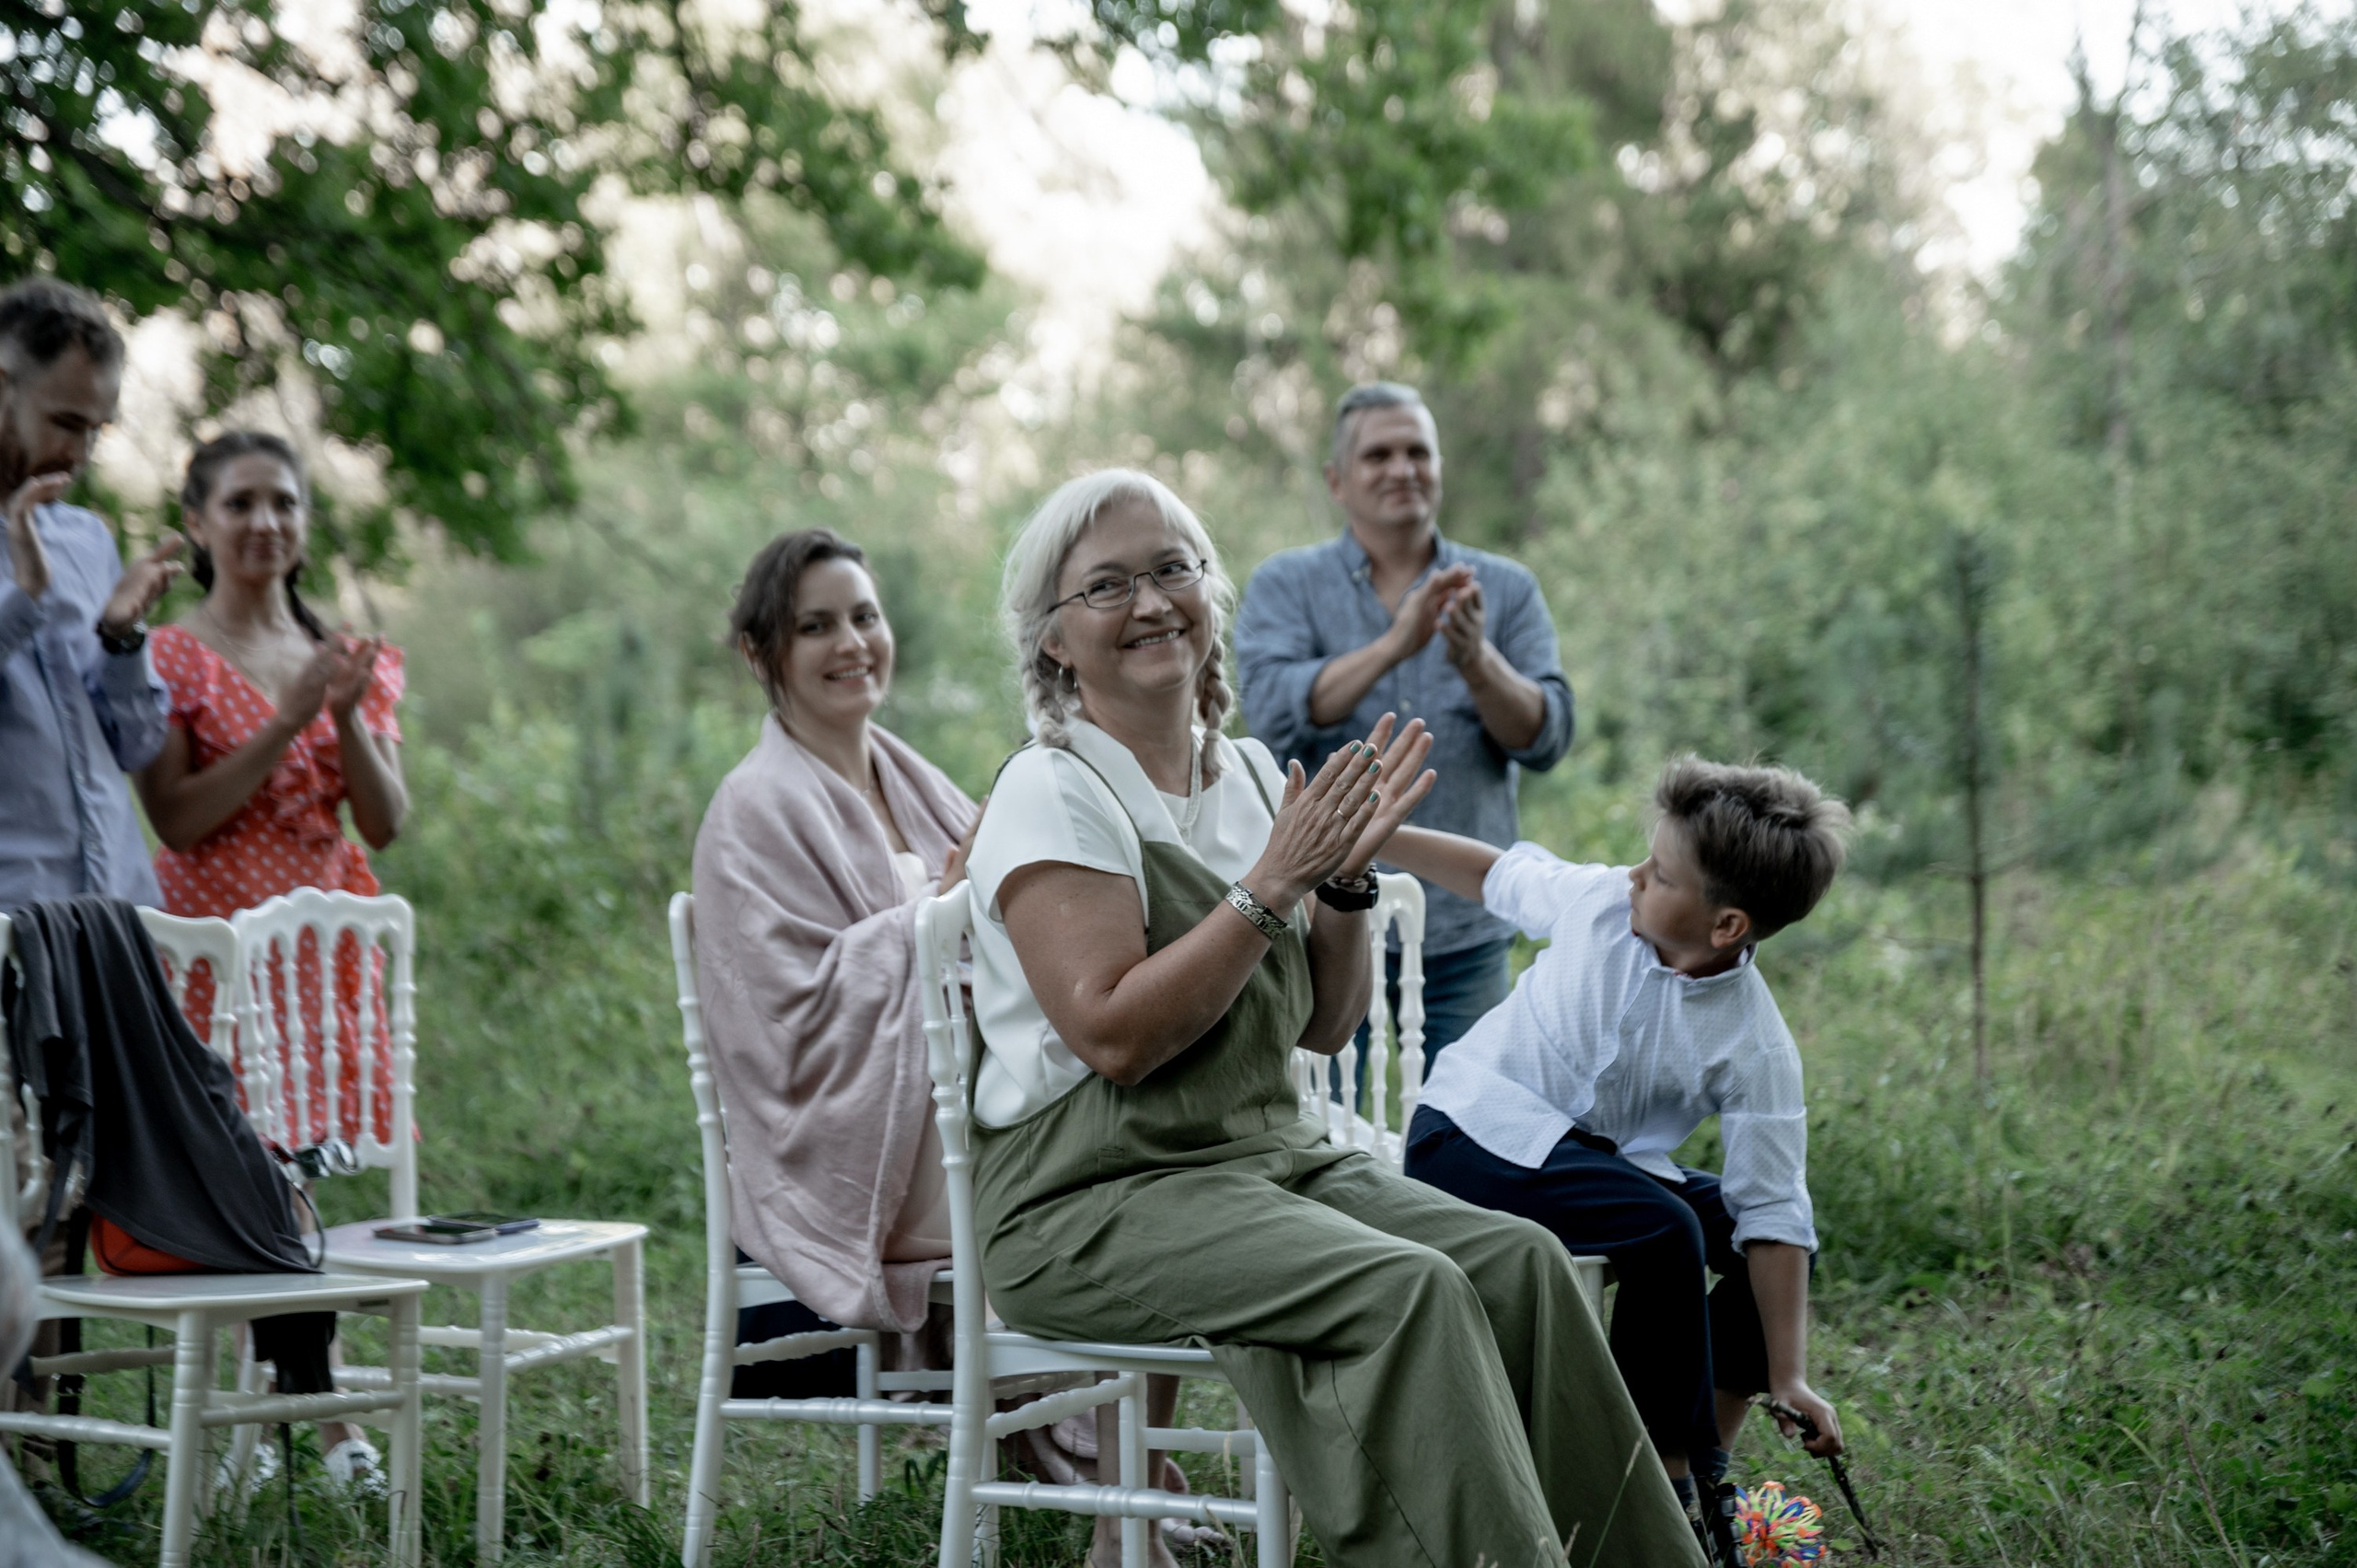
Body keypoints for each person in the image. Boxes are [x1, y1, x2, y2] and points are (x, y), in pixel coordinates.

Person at [962, 468, 1698, 1568]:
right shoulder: (1051, 789)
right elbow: (1113, 1037)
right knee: (1410, 1291)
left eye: (1172, 569)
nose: (1152, 601)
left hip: (1259, 1156)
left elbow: (1322, 1026)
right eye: (1107, 584)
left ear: (1208, 594)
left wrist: (1341, 885)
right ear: (1054, 640)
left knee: (1525, 1266)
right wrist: (1269, 887)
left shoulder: (1250, 772)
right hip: (1088, 1194)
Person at [1380, 759, 1852, 1565]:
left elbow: (1774, 1206)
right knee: (1663, 1230)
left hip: (1591, 1161)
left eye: (1661, 873)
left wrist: (1791, 1372)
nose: (1635, 875)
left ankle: (1703, 1469)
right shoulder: (1601, 901)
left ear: (1727, 924)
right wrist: (1380, 834)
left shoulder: (1754, 1041)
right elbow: (1496, 873)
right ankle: (1654, 1488)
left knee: (1758, 1233)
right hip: (1469, 1133)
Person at [134, 431, 405, 1493]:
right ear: (198, 523)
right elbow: (177, 814)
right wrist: (283, 723)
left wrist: (338, 715)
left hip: (327, 946)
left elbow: (385, 822)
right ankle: (332, 1429)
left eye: (284, 502)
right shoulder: (170, 654)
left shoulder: (348, 653)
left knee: (300, 1172)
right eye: (240, 503)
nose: (266, 523)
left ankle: (259, 1426)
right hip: (217, 943)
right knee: (254, 1174)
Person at [1235, 381, 1573, 1073]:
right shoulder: (1284, 584)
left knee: (1469, 1134)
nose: (1402, 468)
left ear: (1440, 468)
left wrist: (1478, 661)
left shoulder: (1504, 587)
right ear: (1337, 479)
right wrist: (1395, 642)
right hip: (1320, 919)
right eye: (1378, 454)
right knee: (1325, 1131)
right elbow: (1270, 708)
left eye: (1419, 451)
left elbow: (1546, 736)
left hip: (1465, 929)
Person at [691, 528, 977, 1345]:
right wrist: (944, 911)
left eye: (865, 616)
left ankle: (1115, 1441)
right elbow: (791, 1021)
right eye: (816, 626)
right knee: (1098, 1168)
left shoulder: (911, 777)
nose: (852, 644)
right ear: (759, 654)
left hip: (964, 1102)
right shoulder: (753, 808)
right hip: (857, 1162)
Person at [0, 276, 183, 910]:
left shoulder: (87, 539)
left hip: (119, 918)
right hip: (13, 929)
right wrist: (23, 598)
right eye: (65, 423)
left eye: (97, 430)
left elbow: (136, 745)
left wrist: (123, 638)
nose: (79, 454)